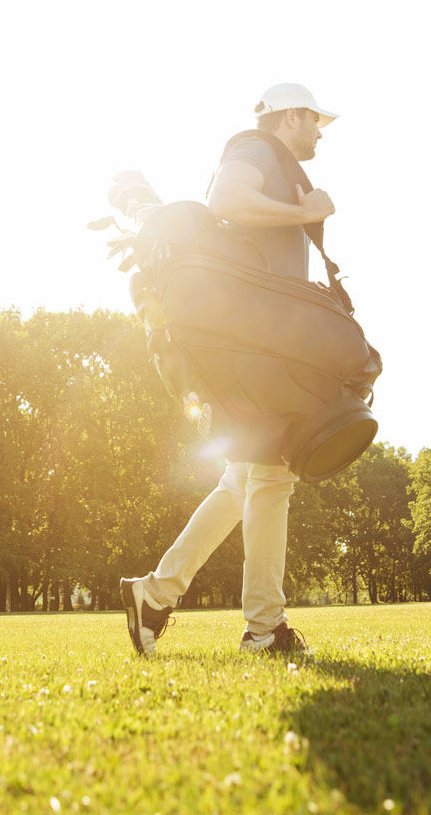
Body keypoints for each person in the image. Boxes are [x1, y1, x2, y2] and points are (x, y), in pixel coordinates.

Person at [120, 81, 341, 657]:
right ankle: (264, 628)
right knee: (271, 475)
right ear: (290, 116)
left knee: (241, 480)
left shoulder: (271, 159)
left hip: (258, 341)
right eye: (315, 121)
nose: (320, 133)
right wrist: (304, 210)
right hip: (259, 345)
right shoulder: (255, 150)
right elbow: (226, 202)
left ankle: (154, 595)